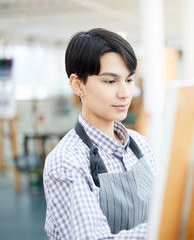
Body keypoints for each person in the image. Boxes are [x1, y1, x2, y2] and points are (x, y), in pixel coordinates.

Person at [43, 28, 156, 239]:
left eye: (129, 80)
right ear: (78, 85)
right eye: (110, 81)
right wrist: (162, 229)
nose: (125, 93)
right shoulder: (66, 162)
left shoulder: (140, 145)